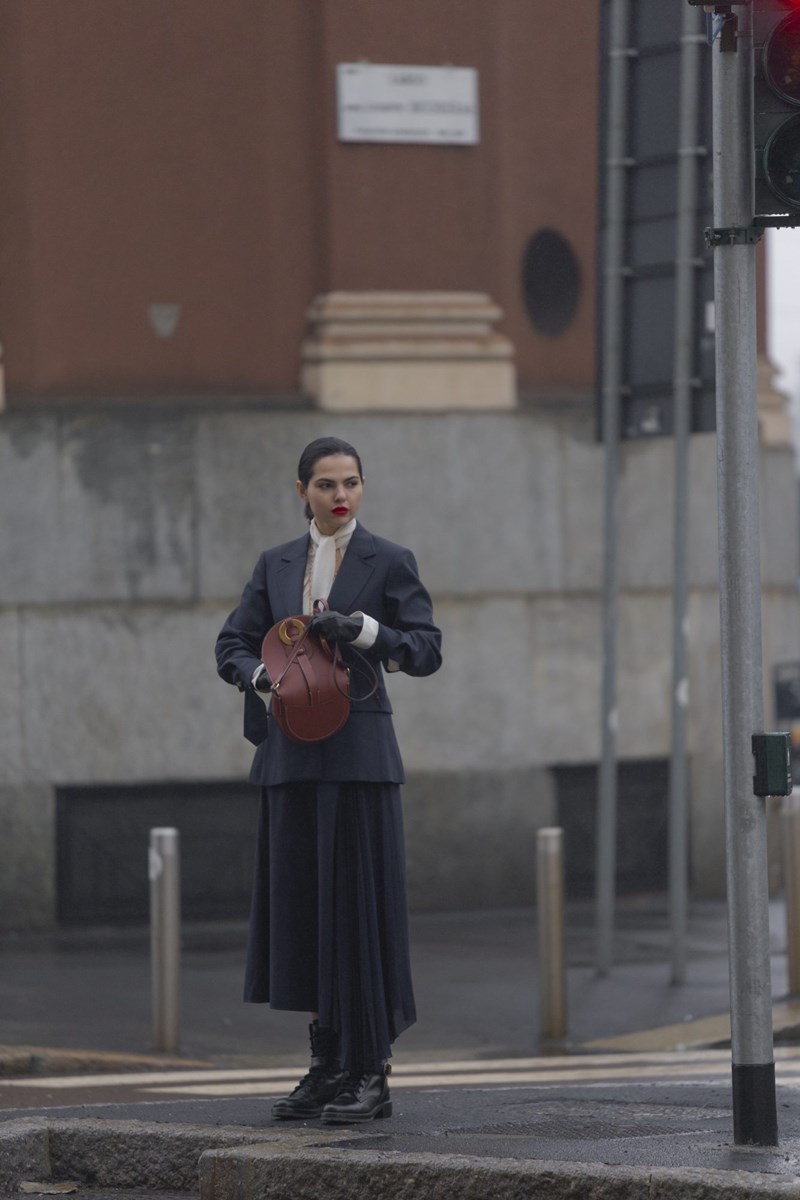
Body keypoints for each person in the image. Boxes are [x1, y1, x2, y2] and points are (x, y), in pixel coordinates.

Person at [215, 436, 442, 1124]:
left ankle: (370, 1069)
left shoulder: (389, 560)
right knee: (307, 911)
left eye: (350, 482)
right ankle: (327, 1064)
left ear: (363, 488)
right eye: (325, 484)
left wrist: (369, 630)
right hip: (290, 756)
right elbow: (231, 642)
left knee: (358, 911)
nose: (340, 495)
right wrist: (262, 676)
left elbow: (427, 649)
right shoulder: (276, 563)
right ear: (302, 491)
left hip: (361, 759)